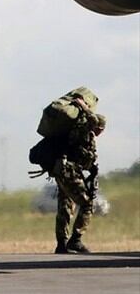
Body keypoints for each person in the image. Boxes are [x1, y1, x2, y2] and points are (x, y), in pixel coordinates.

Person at [51, 98, 105, 254]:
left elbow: (83, 157)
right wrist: (83, 106)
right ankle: (75, 240)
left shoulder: (81, 134)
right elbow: (93, 119)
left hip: (63, 170)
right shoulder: (85, 128)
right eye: (100, 129)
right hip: (69, 170)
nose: (100, 132)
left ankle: (61, 244)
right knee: (87, 204)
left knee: (65, 206)